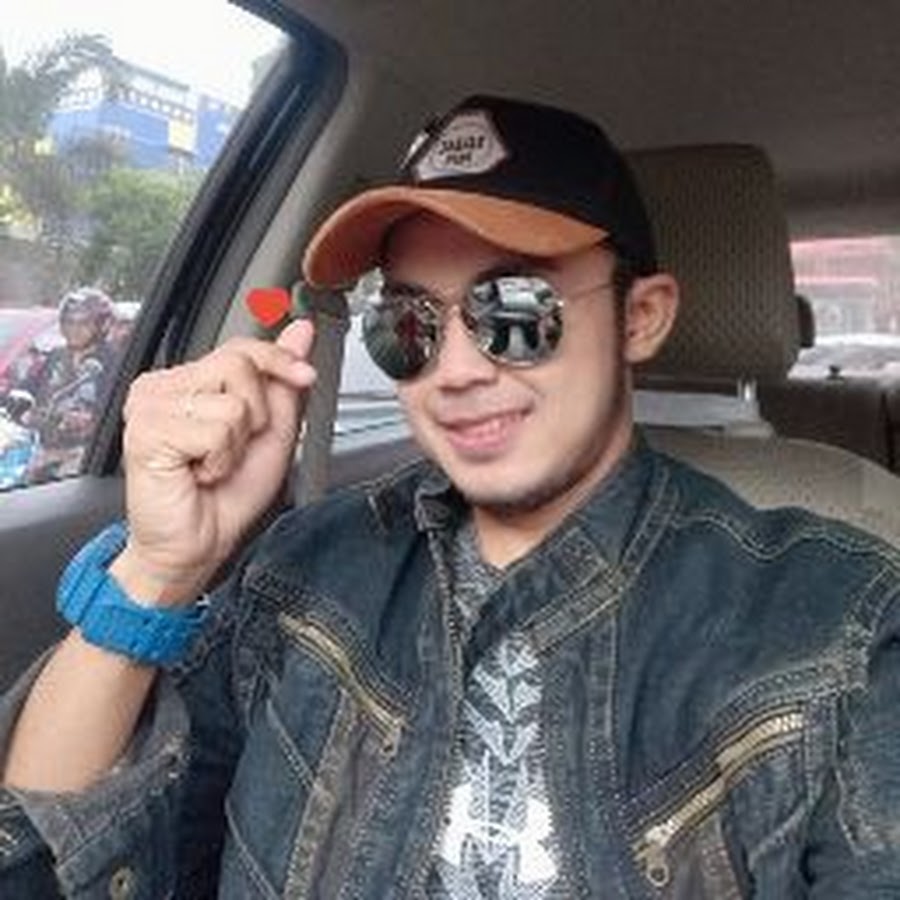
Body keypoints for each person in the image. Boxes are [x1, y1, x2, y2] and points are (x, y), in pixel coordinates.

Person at [1, 95, 899, 899]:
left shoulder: (836, 631)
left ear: (641, 317)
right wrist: (162, 569)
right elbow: (50, 863)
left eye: (516, 308)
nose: (457, 370)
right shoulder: (301, 570)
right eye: (409, 324)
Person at [14, 287, 118, 482]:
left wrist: (91, 419)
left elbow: (115, 410)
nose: (74, 329)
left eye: (83, 323)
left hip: (85, 453)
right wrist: (17, 403)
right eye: (69, 322)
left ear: (102, 325)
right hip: (43, 446)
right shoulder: (55, 357)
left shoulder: (113, 362)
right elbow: (29, 388)